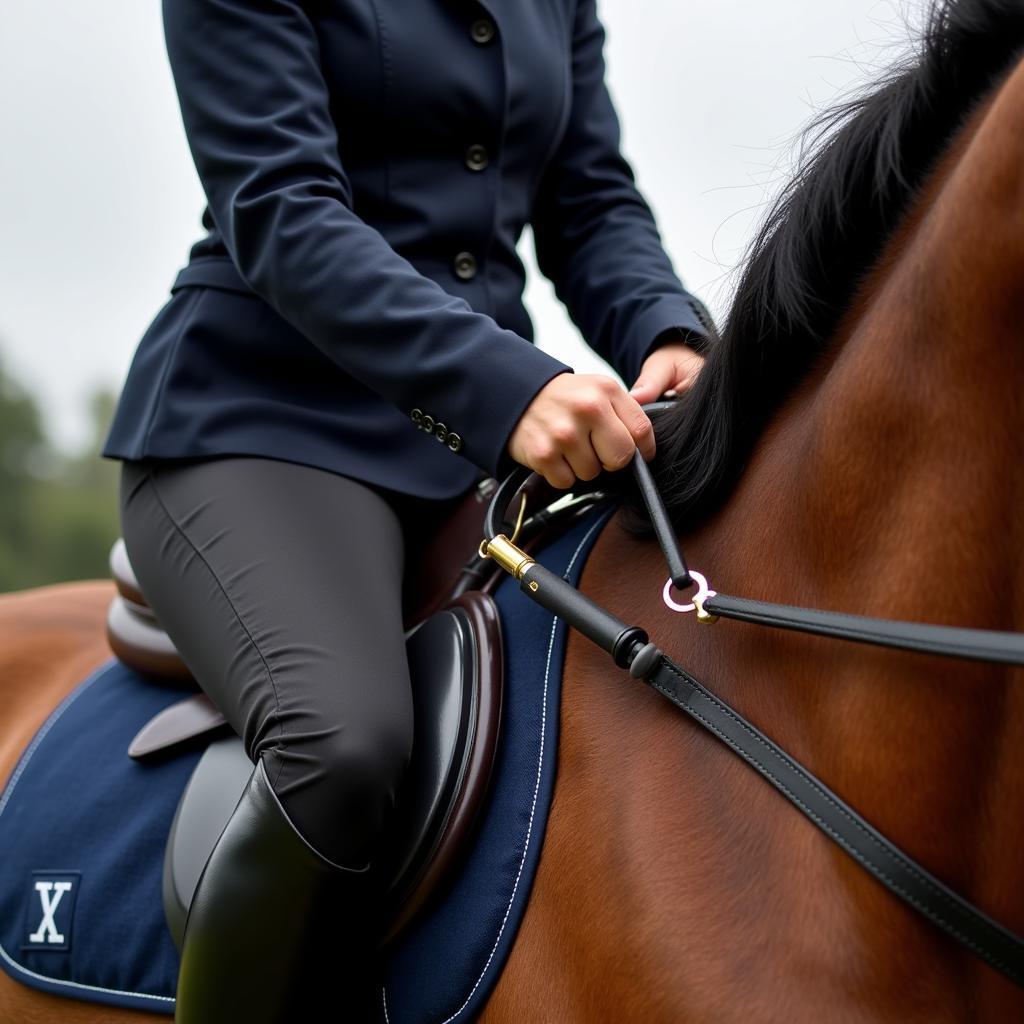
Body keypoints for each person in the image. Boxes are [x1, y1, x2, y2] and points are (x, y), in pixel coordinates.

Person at [101, 0, 714, 1019]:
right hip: (257, 423)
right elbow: (282, 212)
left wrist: (669, 330)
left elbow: (588, 196)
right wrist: (507, 386)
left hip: (465, 453)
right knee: (342, 744)